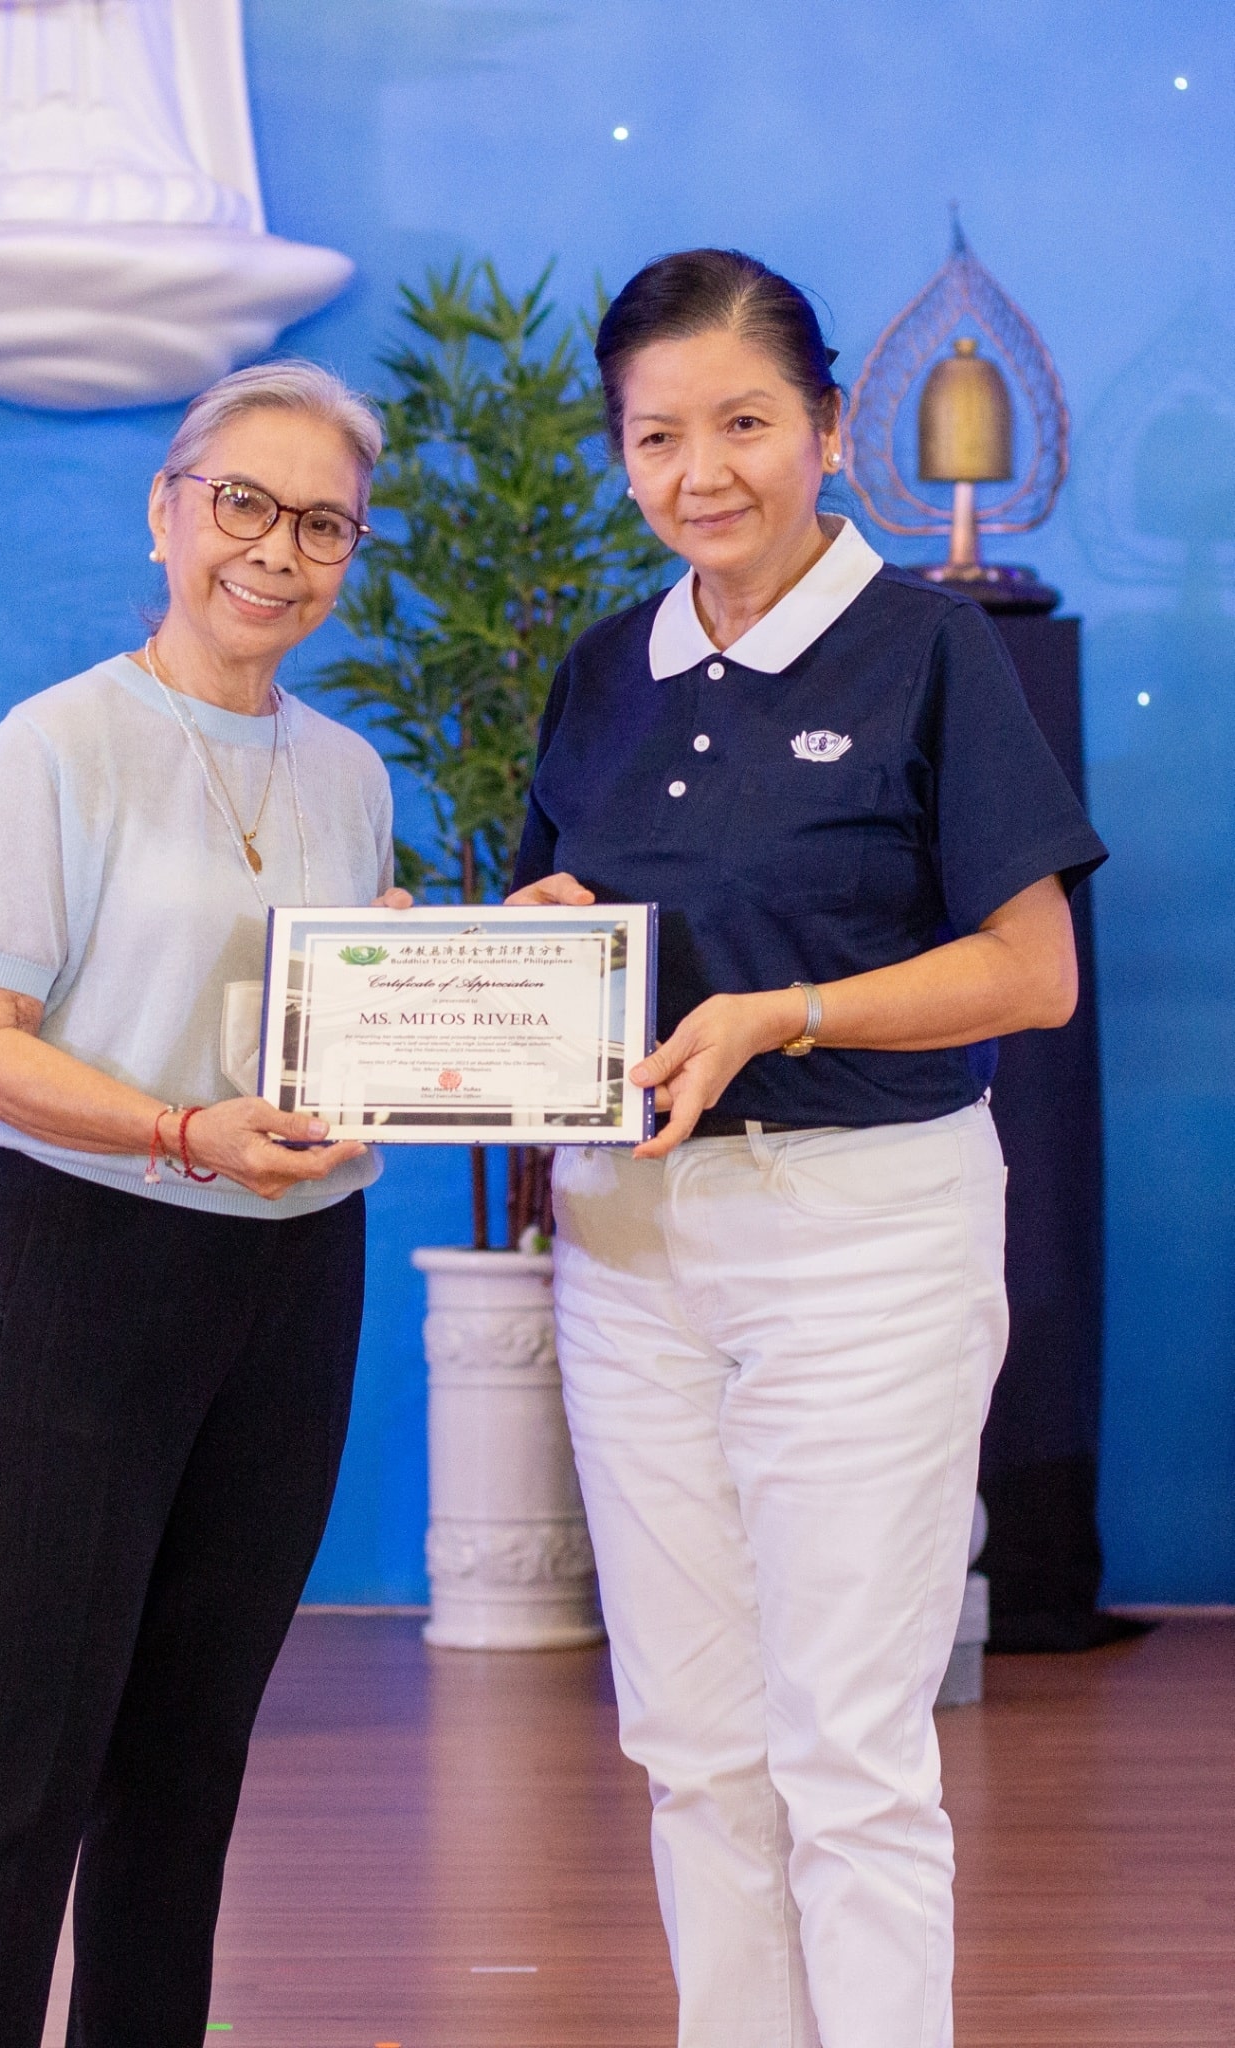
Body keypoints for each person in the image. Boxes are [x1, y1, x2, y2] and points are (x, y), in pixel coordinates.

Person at [509, 249, 1106, 2048]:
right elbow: (587, 926)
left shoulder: (935, 650)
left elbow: (1033, 973)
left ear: (831, 433)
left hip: (864, 1240)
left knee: (847, 1750)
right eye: (659, 435)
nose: (705, 473)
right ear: (623, 454)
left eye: (747, 424)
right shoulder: (605, 670)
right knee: (691, 1747)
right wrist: (532, 932)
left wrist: (790, 1013)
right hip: (628, 1252)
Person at [0, 361, 407, 2048]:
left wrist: (490, 965)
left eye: (322, 524)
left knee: (189, 1762)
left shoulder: (349, 773)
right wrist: (183, 1131)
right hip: (86, 1262)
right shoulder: (55, 742)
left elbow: (354, 1015)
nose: (277, 552)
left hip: (294, 1279)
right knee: (22, 1767)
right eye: (243, 506)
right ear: (170, 512)